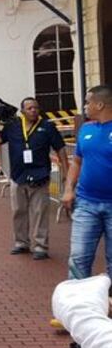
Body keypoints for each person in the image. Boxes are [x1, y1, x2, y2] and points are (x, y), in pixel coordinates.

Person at [0, 98, 68, 260]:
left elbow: (60, 148)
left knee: (40, 212)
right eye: (29, 108)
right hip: (18, 176)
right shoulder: (12, 127)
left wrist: (65, 172)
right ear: (22, 111)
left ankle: (41, 246)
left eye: (36, 108)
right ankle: (21, 242)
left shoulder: (47, 127)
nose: (33, 110)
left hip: (40, 176)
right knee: (18, 211)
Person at [62, 85, 112, 278]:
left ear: (99, 104)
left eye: (87, 102)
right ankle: (77, 302)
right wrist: (68, 189)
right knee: (78, 257)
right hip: (86, 204)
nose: (84, 106)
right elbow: (76, 162)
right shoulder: (85, 129)